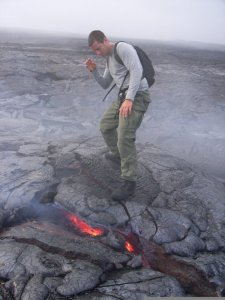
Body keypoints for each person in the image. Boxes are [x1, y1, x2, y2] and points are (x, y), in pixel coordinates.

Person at [85, 30, 151, 200]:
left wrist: (129, 99)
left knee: (124, 136)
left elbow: (137, 71)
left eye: (99, 48)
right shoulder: (108, 58)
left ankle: (129, 182)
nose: (98, 53)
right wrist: (94, 71)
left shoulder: (123, 48)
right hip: (123, 97)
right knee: (105, 126)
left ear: (105, 40)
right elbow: (105, 84)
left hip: (137, 96)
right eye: (95, 52)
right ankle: (118, 155)